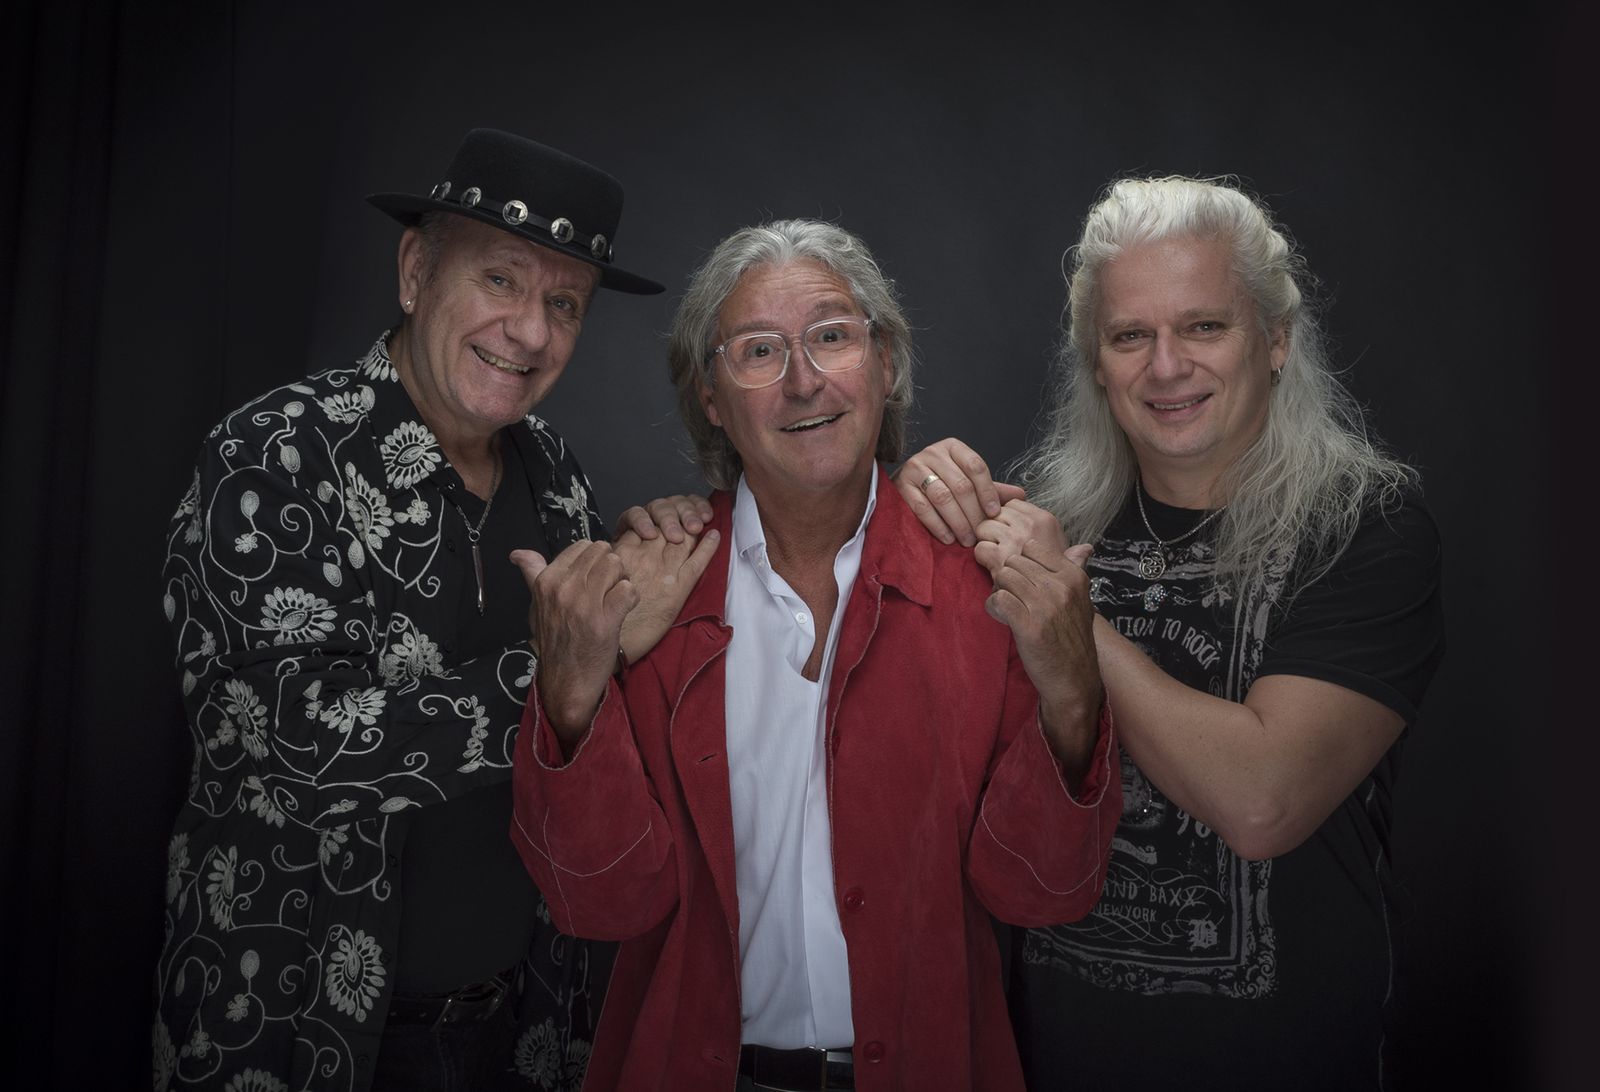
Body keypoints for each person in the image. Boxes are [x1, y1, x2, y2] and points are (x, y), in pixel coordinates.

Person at [153, 128, 712, 1092]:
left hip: (521, 1022)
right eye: (500, 280)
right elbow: (288, 747)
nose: (529, 333)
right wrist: (570, 657)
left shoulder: (556, 474)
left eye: (564, 304)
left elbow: (595, 727)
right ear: (416, 272)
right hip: (295, 1026)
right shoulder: (274, 455)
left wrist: (651, 557)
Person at [507, 219, 1121, 1092]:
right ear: (710, 395)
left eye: (832, 337)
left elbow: (1045, 893)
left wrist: (1072, 692)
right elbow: (599, 901)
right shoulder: (652, 595)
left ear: (885, 362)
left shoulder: (985, 589)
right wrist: (574, 688)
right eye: (759, 351)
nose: (803, 381)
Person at [895, 176, 1446, 1090]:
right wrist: (908, 504)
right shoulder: (1051, 516)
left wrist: (1071, 614)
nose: (1165, 367)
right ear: (1096, 362)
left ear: (1276, 339)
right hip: (1052, 1060)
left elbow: (1263, 802)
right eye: (1129, 336)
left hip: (1281, 1065)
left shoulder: (1366, 527)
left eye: (1204, 326)